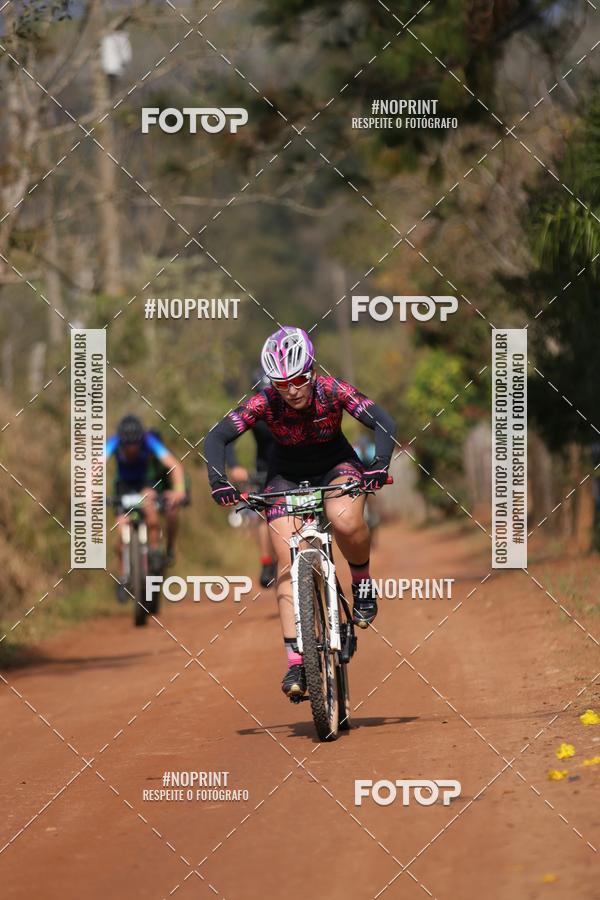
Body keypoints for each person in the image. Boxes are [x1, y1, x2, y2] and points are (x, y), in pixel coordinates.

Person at [205, 326, 396, 698]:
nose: (291, 390)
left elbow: (382, 421)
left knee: (345, 519)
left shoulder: (333, 390)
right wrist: (218, 482)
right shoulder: (265, 402)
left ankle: (362, 581)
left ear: (311, 371)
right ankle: (296, 661)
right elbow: (217, 436)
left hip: (336, 466)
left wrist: (380, 467)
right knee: (284, 558)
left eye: (298, 379)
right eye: (281, 383)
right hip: (285, 476)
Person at [106, 415, 187, 600]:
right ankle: (124, 576)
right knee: (121, 529)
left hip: (145, 483)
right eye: (128, 446)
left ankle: (154, 551)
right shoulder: (113, 442)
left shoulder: (149, 440)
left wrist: (179, 490)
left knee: (150, 511)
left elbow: (174, 465)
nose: (132, 449)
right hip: (123, 486)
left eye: (135, 444)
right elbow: (95, 466)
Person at [226, 370, 277, 588]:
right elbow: (227, 439)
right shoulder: (253, 412)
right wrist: (235, 466)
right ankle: (267, 561)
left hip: (296, 465)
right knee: (265, 514)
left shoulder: (294, 406)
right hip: (265, 469)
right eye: (261, 393)